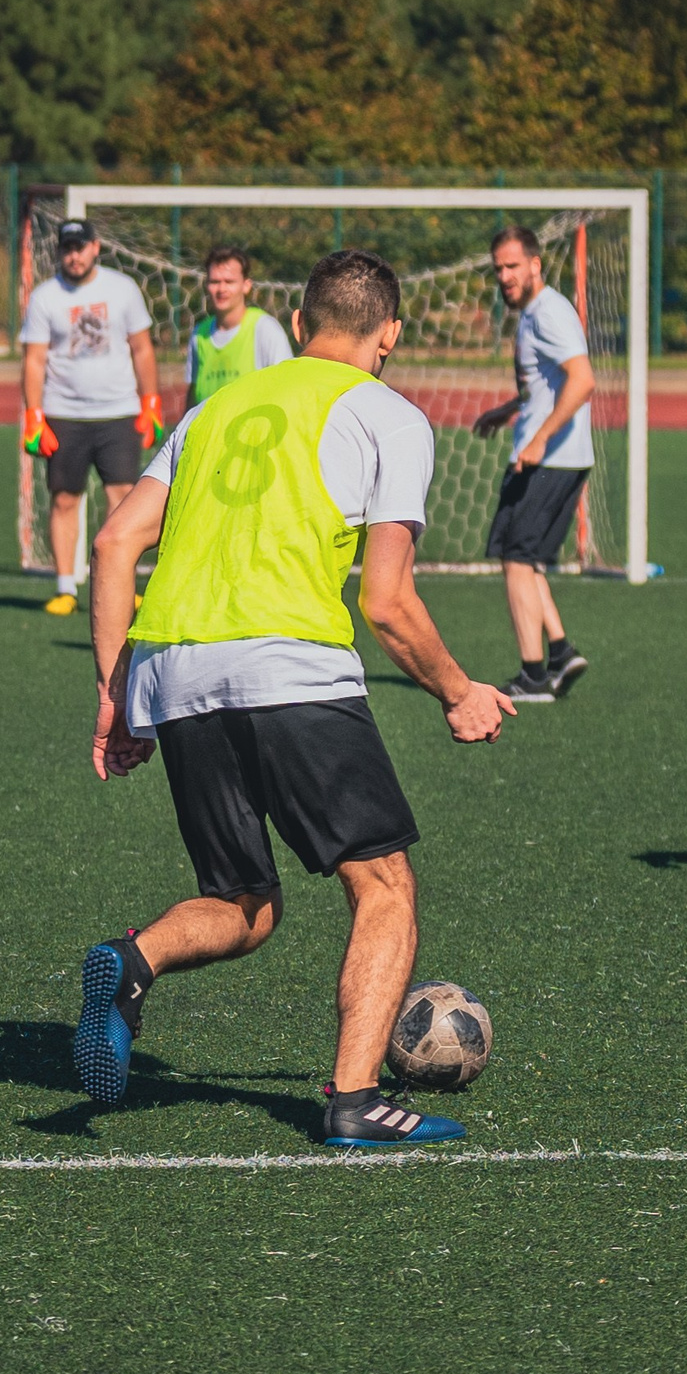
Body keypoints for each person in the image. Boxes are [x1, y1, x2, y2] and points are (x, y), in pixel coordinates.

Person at [77, 249, 517, 1148]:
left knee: (246, 901)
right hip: (291, 666)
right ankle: (354, 1100)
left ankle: (130, 962)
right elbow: (386, 603)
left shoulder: (211, 411)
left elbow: (116, 541)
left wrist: (114, 688)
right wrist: (457, 689)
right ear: (389, 332)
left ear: (300, 318)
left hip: (175, 668)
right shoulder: (388, 414)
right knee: (383, 884)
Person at [472, 225, 594, 703]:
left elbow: (582, 381)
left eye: (513, 266)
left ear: (536, 264)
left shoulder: (549, 312)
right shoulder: (529, 314)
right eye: (499, 267)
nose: (504, 275)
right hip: (547, 455)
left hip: (551, 458)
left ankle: (533, 676)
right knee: (523, 557)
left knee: (517, 559)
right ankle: (561, 653)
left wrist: (541, 439)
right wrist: (508, 411)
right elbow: (542, 388)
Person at [20, 218, 162, 616]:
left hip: (119, 412)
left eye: (80, 247)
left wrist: (150, 403)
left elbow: (142, 349)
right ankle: (66, 586)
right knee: (65, 498)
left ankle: (125, 584)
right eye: (67, 248)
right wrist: (34, 414)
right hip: (64, 413)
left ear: (95, 247)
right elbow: (33, 360)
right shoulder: (46, 297)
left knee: (123, 498)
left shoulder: (122, 289)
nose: (74, 255)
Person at [185, 244, 291, 409]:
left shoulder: (264, 329)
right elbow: (192, 395)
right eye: (214, 282)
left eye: (229, 281)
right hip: (208, 433)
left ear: (246, 285)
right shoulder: (200, 333)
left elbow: (286, 388)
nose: (221, 289)